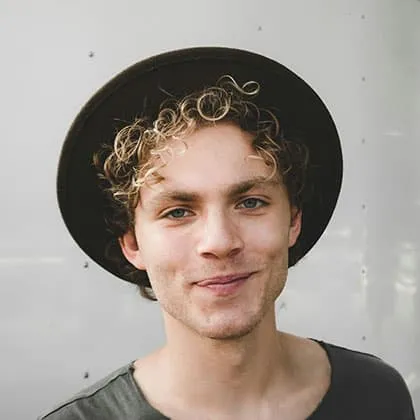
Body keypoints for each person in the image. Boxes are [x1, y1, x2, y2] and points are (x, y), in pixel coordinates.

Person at [39, 47, 415, 419]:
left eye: (250, 202)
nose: (219, 242)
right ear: (133, 244)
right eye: (178, 212)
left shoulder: (376, 395)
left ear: (293, 221)